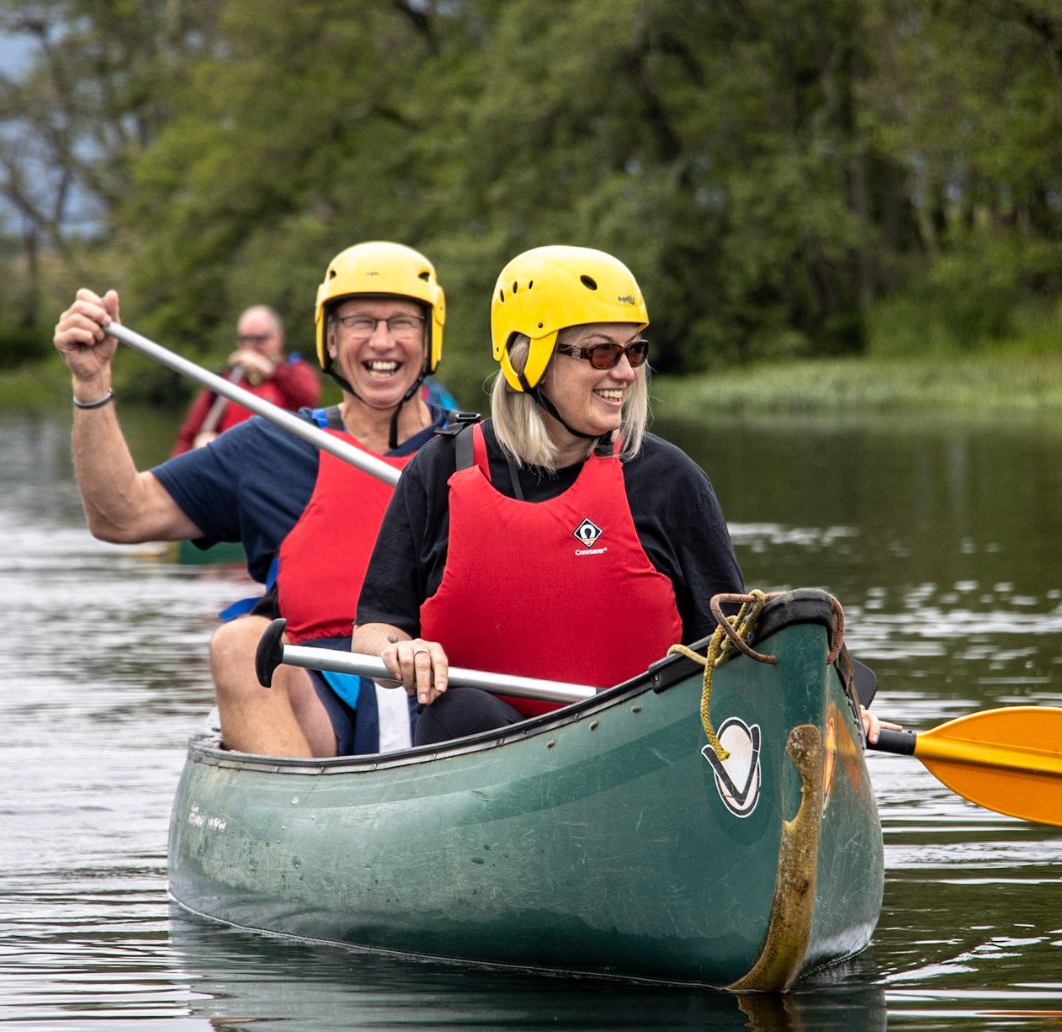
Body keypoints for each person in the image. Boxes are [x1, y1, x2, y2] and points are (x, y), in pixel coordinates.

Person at [54, 241, 459, 758]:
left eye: (402, 322)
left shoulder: (477, 453)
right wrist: (91, 383)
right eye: (360, 322)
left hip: (449, 688)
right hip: (317, 696)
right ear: (330, 341)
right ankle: (302, 824)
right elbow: (120, 516)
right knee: (240, 643)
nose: (382, 341)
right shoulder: (272, 446)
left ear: (428, 340)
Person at [351, 244, 748, 745]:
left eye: (635, 351)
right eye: (602, 352)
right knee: (458, 710)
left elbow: (735, 644)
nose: (625, 372)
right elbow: (373, 629)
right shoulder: (439, 471)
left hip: (645, 752)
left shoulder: (668, 479)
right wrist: (398, 652)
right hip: (485, 757)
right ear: (529, 359)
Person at [170, 305, 322, 455]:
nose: (250, 347)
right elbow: (188, 436)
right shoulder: (223, 381)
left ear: (279, 339)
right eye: (244, 340)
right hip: (228, 465)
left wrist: (272, 371)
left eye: (259, 340)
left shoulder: (295, 371)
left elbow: (309, 398)